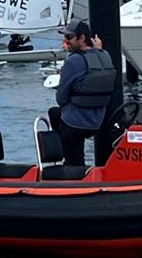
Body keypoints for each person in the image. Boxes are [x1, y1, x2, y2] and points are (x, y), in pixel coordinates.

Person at [50, 18, 116, 166]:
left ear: (81, 38)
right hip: (98, 121)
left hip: (76, 123)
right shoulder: (105, 55)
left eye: (69, 37)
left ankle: (68, 162)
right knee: (60, 115)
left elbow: (61, 98)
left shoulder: (73, 61)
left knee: (55, 114)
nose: (66, 41)